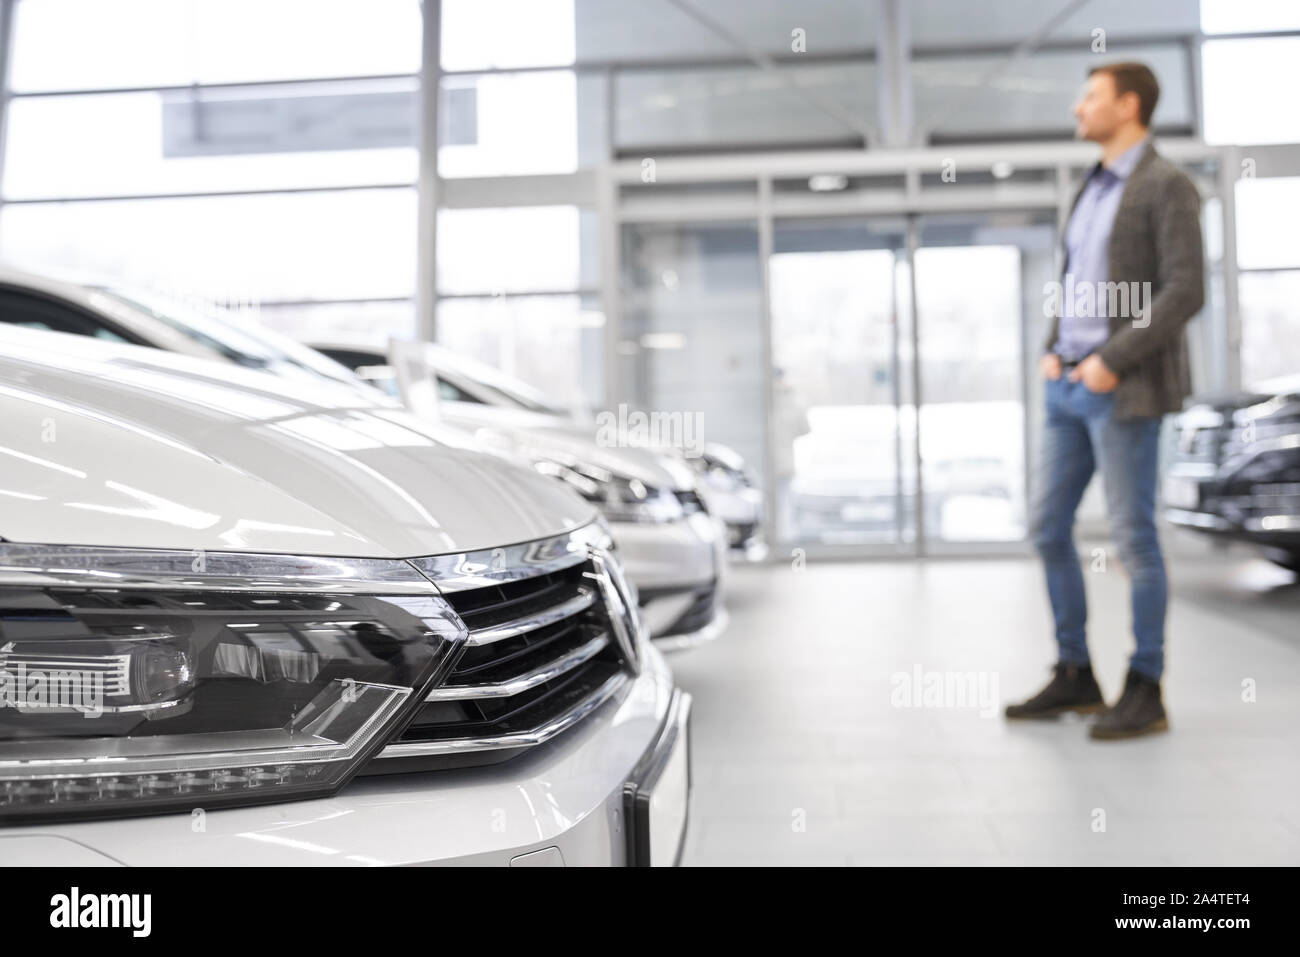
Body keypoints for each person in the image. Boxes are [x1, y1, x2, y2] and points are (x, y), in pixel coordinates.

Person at [1005, 62, 1205, 739]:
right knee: (1048, 527)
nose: (1077, 107)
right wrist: (1052, 342)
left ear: (1128, 104)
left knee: (1133, 540)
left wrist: (1111, 361)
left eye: (1089, 96)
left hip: (1122, 386)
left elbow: (1185, 290)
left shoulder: (1166, 185)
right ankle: (1075, 673)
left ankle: (1146, 685)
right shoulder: (1090, 187)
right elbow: (1073, 280)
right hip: (1066, 384)